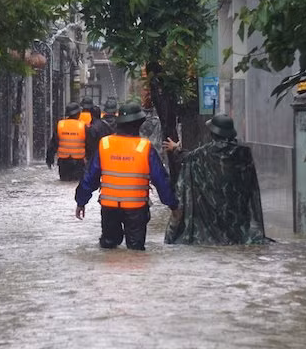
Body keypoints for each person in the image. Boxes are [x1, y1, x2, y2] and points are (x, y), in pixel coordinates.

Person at [75, 102, 179, 251]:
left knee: (108, 248)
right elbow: (160, 180)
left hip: (109, 208)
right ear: (139, 124)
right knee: (136, 251)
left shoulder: (105, 144)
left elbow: (89, 177)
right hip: (136, 210)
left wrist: (81, 202)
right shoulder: (145, 147)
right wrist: (173, 205)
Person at [165, 114, 268, 245]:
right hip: (237, 210)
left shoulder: (205, 152)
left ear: (213, 133)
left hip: (211, 214)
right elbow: (250, 184)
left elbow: (187, 157)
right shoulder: (244, 153)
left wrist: (175, 148)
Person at [47, 102, 88, 181]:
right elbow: (88, 144)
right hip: (78, 162)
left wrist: (49, 158)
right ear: (78, 113)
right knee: (76, 184)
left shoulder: (60, 125)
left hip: (63, 162)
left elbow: (53, 143)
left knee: (64, 182)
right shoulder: (83, 126)